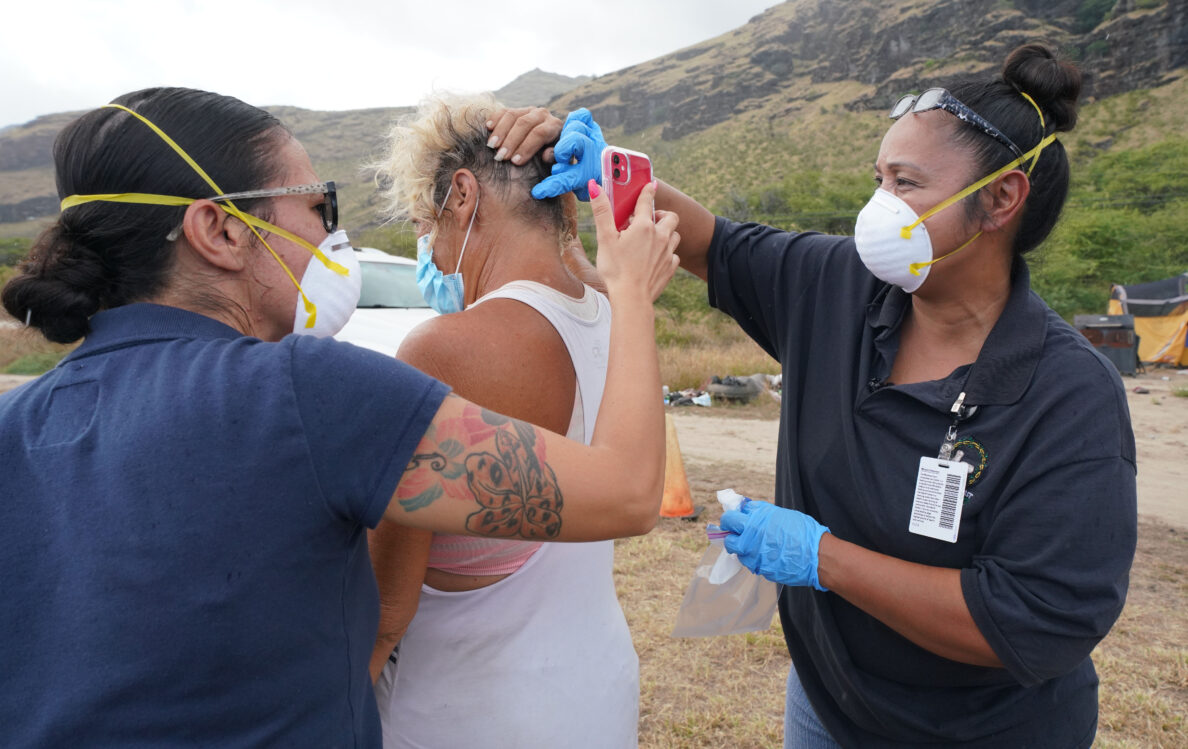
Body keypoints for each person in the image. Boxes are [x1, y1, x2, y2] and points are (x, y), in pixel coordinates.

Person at [492, 43, 1137, 748]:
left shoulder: (1068, 393)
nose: (878, 208)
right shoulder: (838, 288)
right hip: (828, 706)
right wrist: (614, 171)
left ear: (1001, 198)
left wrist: (819, 556)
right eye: (878, 179)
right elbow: (717, 245)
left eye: (907, 183)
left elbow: (1033, 621)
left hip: (986, 732)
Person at [0, 86, 679, 746]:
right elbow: (622, 490)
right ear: (220, 228)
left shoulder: (17, 423)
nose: (336, 236)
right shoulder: (311, 393)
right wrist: (629, 284)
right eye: (321, 207)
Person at [364, 92, 639, 748]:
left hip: (466, 711)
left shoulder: (444, 348)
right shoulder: (621, 317)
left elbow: (386, 609)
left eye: (424, 224)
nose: (427, 247)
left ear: (461, 195)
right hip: (596, 690)